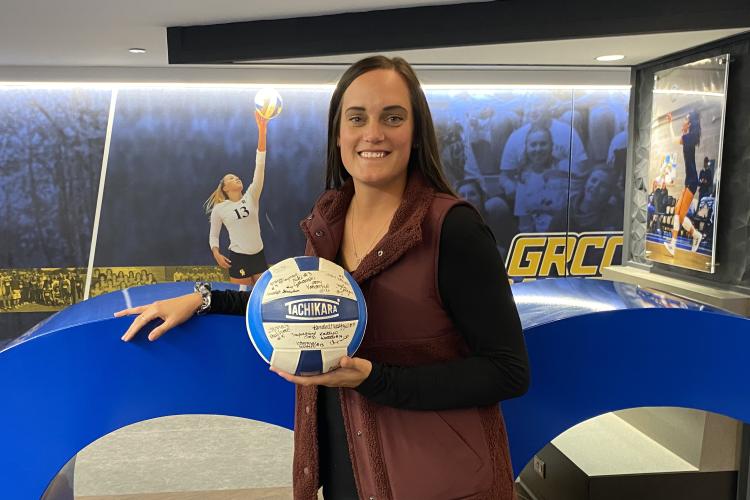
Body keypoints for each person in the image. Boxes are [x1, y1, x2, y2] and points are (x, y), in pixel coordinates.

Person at [117, 56, 529, 500]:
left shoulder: (452, 228)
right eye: (358, 118)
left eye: (393, 117)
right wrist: (204, 299)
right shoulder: (329, 219)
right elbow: (294, 302)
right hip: (345, 465)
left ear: (415, 133)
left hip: (433, 481)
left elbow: (507, 372)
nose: (373, 133)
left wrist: (374, 379)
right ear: (338, 134)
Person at [205, 111, 270, 287]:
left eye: (237, 177)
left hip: (258, 255)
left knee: (261, 299)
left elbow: (260, 165)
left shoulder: (252, 195)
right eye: (231, 178)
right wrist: (216, 253)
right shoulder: (220, 209)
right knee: (241, 300)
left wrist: (262, 132)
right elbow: (214, 235)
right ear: (225, 187)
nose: (236, 178)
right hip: (239, 258)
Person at [664, 110, 703, 255]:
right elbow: (676, 139)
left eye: (685, 119)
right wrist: (670, 124)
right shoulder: (689, 137)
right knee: (677, 212)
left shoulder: (689, 137)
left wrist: (670, 124)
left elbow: (674, 139)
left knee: (679, 214)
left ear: (690, 123)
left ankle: (675, 245)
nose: (683, 121)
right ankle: (695, 235)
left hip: (692, 181)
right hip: (689, 180)